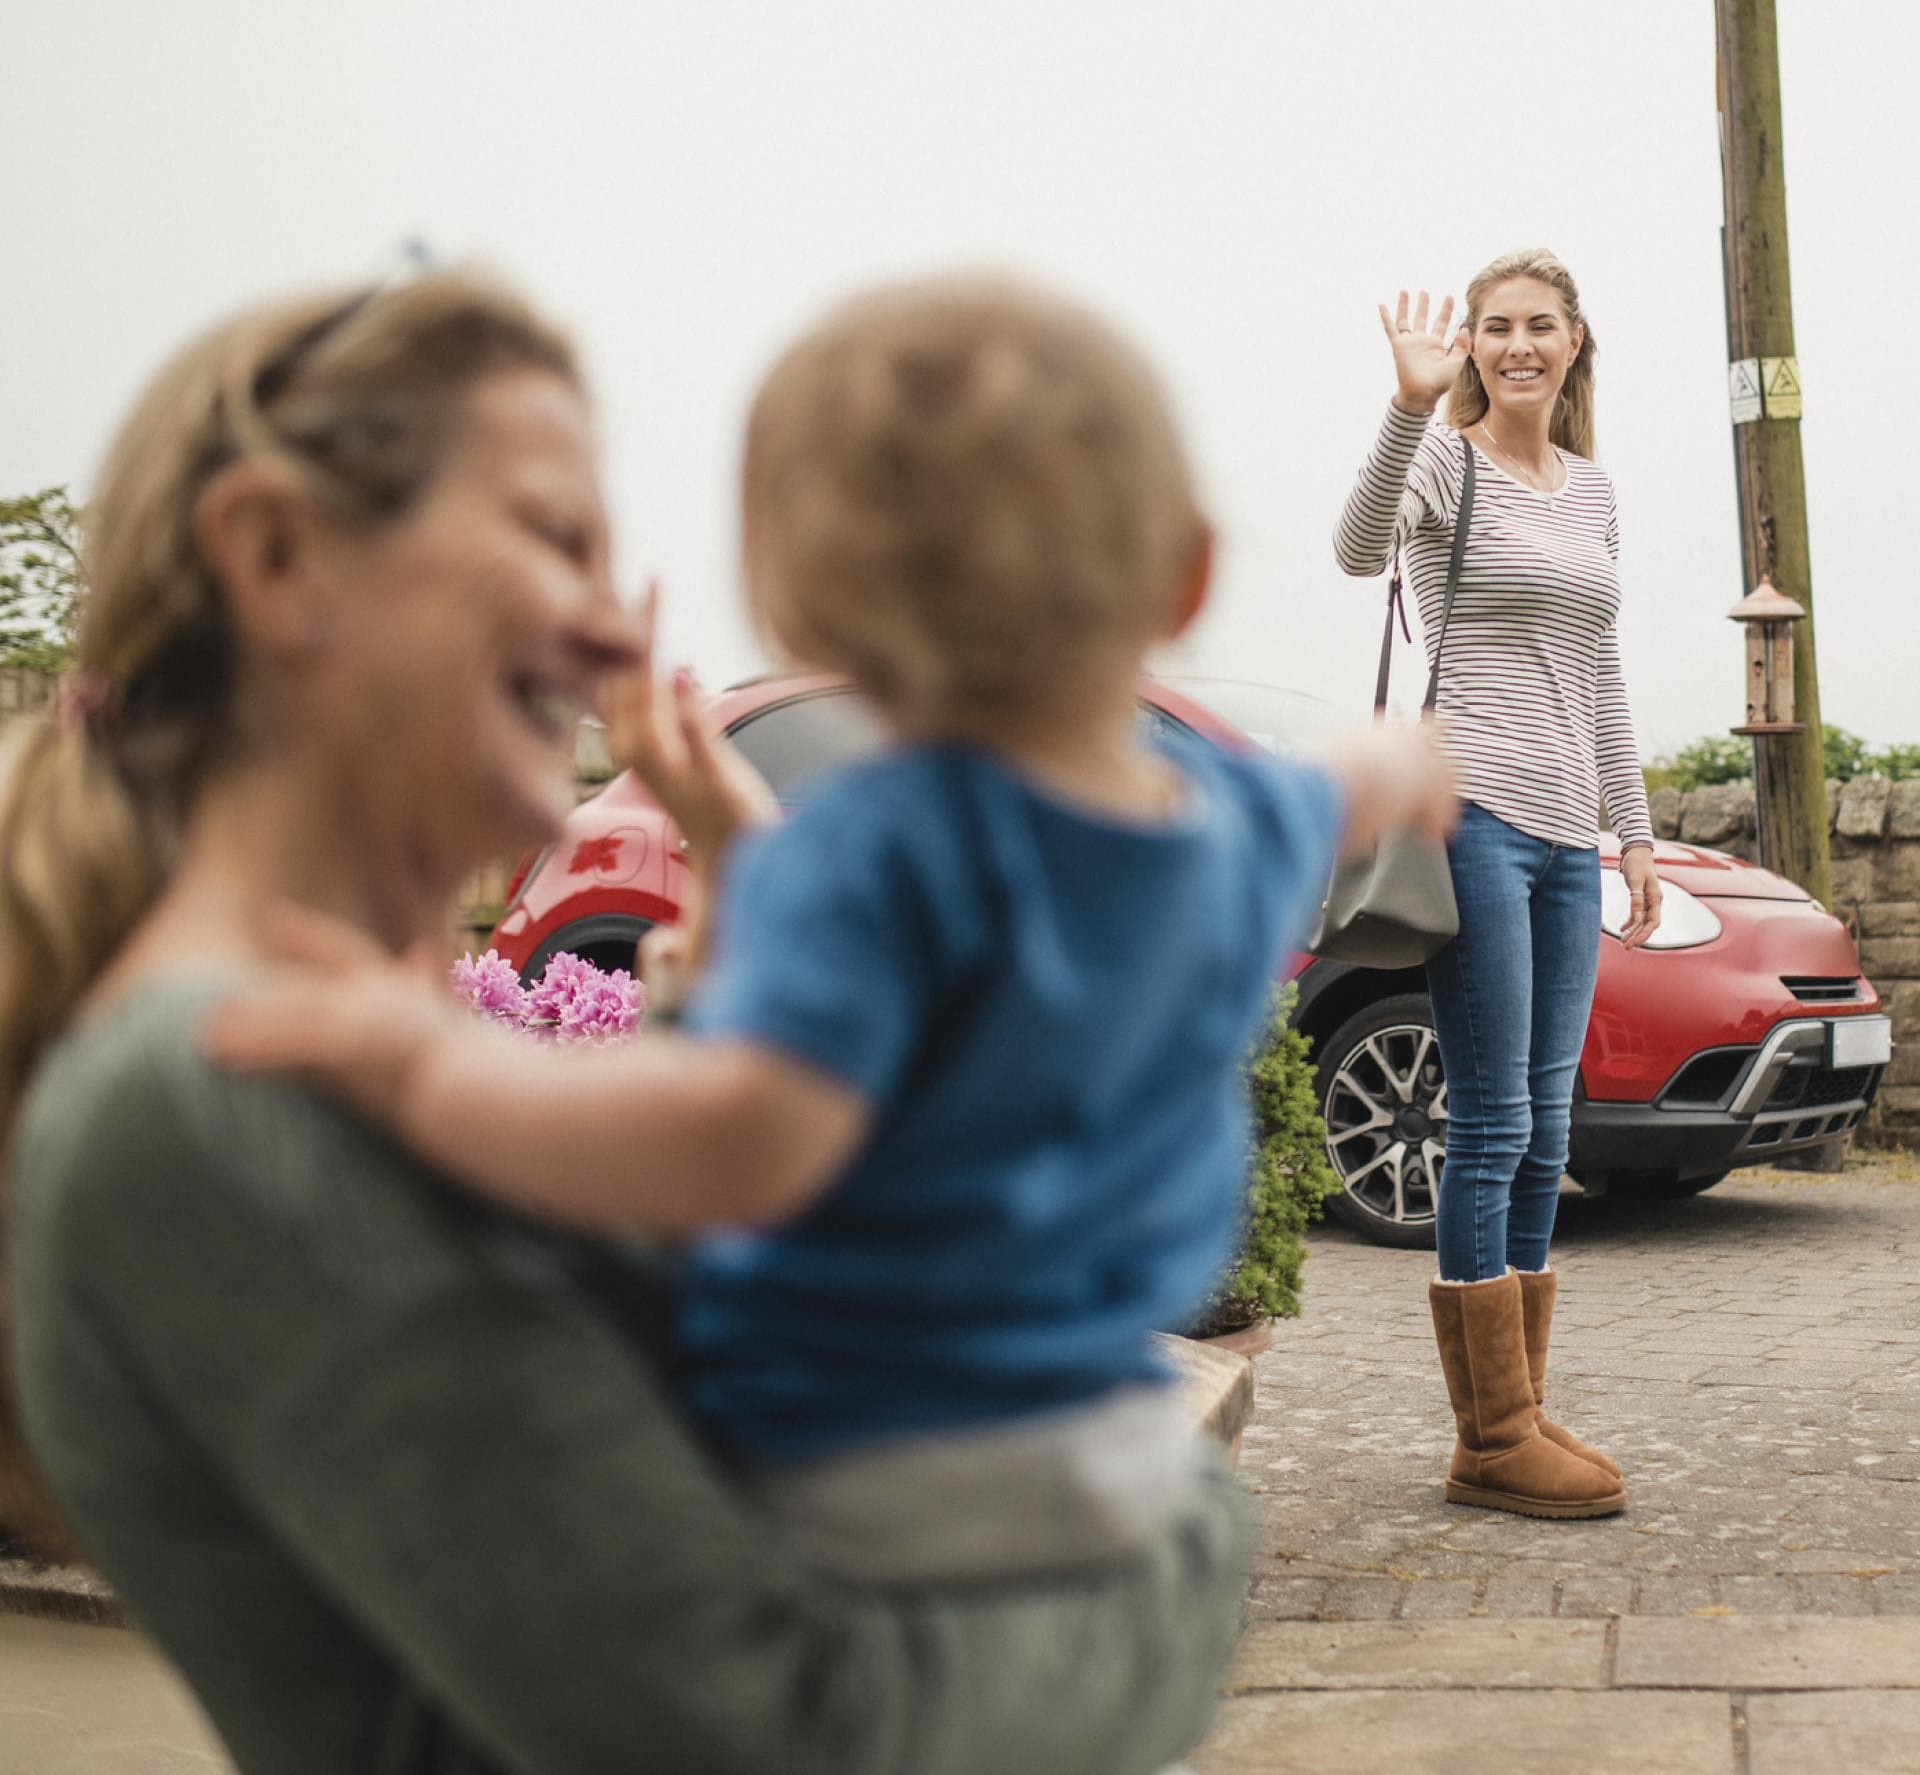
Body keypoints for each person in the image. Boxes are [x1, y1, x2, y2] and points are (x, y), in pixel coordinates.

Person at [4, 268, 1260, 1775]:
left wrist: (744, 945)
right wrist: (1188, 1555)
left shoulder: (300, 1055)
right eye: (556, 540)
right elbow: (774, 1732)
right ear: (278, 554)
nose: (617, 637)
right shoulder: (209, 1095)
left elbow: (651, 1374)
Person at [206, 274, 1457, 1592]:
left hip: (864, 1468)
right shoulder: (1234, 820)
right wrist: (1403, 758)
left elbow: (737, 1137)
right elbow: (1346, 784)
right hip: (1107, 1458)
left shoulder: (862, 852)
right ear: (1188, 574)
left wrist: (426, 1066)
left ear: (789, 608)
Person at [1333, 249, 1659, 1521]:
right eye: (1494, 327)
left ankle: (1516, 1404)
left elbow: (1605, 669)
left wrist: (1630, 831)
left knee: (1548, 1128)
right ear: (1470, 344)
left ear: (1576, 341)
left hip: (1569, 837)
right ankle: (1490, 1437)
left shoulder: (1593, 491)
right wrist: (1410, 403)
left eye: (1540, 325)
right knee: (1492, 1126)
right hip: (1471, 815)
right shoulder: (1446, 459)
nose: (1518, 344)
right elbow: (1360, 550)